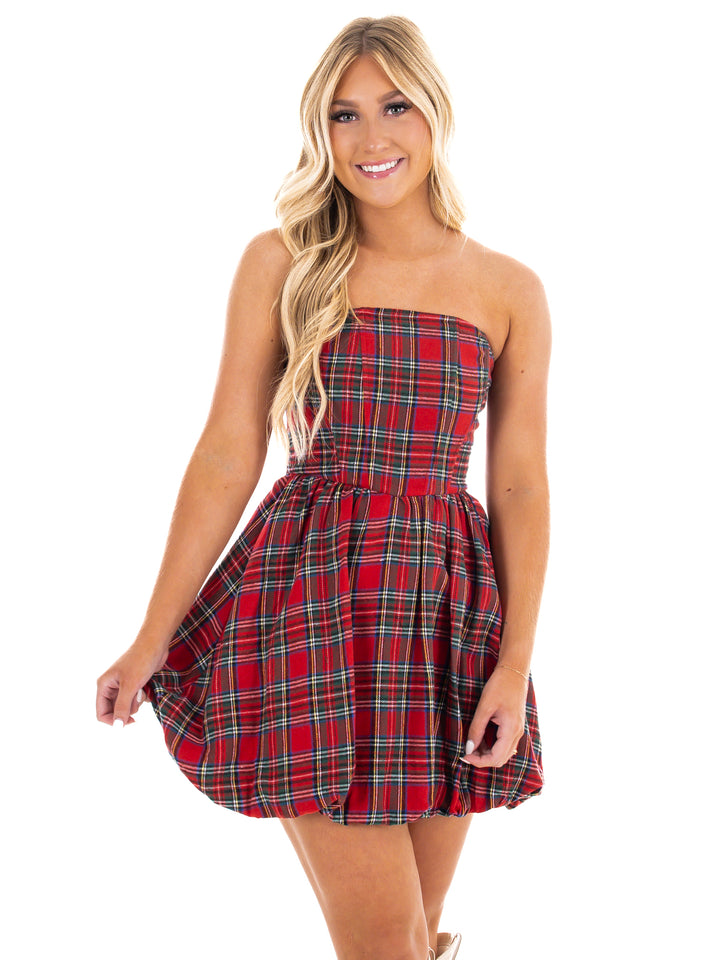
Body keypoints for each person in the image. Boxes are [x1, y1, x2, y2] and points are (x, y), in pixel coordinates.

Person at [96, 15, 551, 960]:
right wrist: (151, 635)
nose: (371, 136)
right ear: (320, 130)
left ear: (436, 112)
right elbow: (228, 452)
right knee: (387, 942)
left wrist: (512, 664)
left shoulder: (508, 288)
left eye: (394, 106)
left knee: (413, 938)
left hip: (443, 620)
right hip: (313, 607)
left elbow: (519, 485)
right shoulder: (284, 261)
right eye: (344, 115)